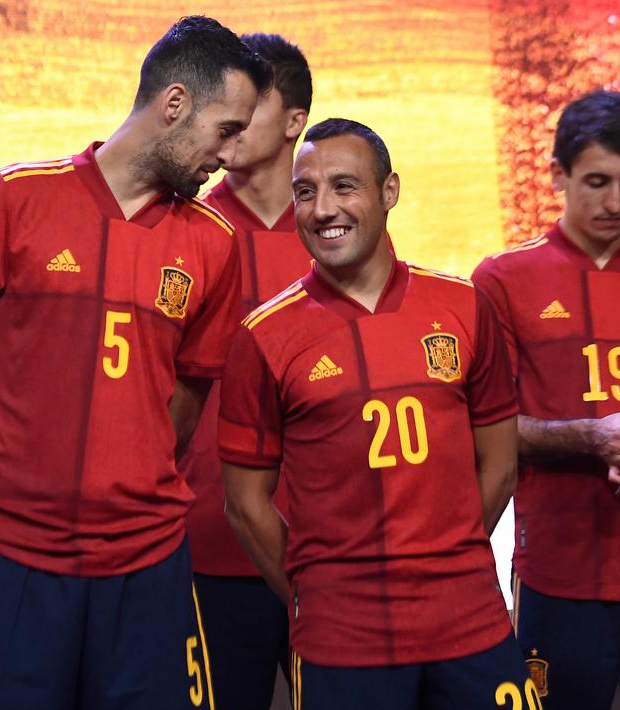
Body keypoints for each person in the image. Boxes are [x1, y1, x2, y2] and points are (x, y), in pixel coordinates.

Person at [0, 15, 269, 709]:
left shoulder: (212, 244)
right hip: (11, 561)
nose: (230, 155)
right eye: (226, 129)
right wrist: (17, 489)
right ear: (174, 105)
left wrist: (121, 478)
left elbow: (182, 406)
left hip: (146, 568)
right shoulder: (12, 198)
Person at [220, 118, 537, 709]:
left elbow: (499, 463)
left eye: (344, 186)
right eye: (306, 191)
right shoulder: (264, 336)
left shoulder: (464, 306)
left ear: (389, 192)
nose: (322, 209)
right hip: (343, 641)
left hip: (470, 622)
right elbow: (244, 503)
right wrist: (318, 592)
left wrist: (450, 555)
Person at [472, 90, 620, 709]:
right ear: (557, 175)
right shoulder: (502, 279)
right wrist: (592, 435)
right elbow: (483, 427)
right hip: (559, 570)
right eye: (597, 182)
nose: (615, 203)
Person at [179, 32, 312, 710]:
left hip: (318, 555)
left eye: (247, 106)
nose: (226, 119)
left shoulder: (339, 236)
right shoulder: (182, 231)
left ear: (294, 122)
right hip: (204, 550)